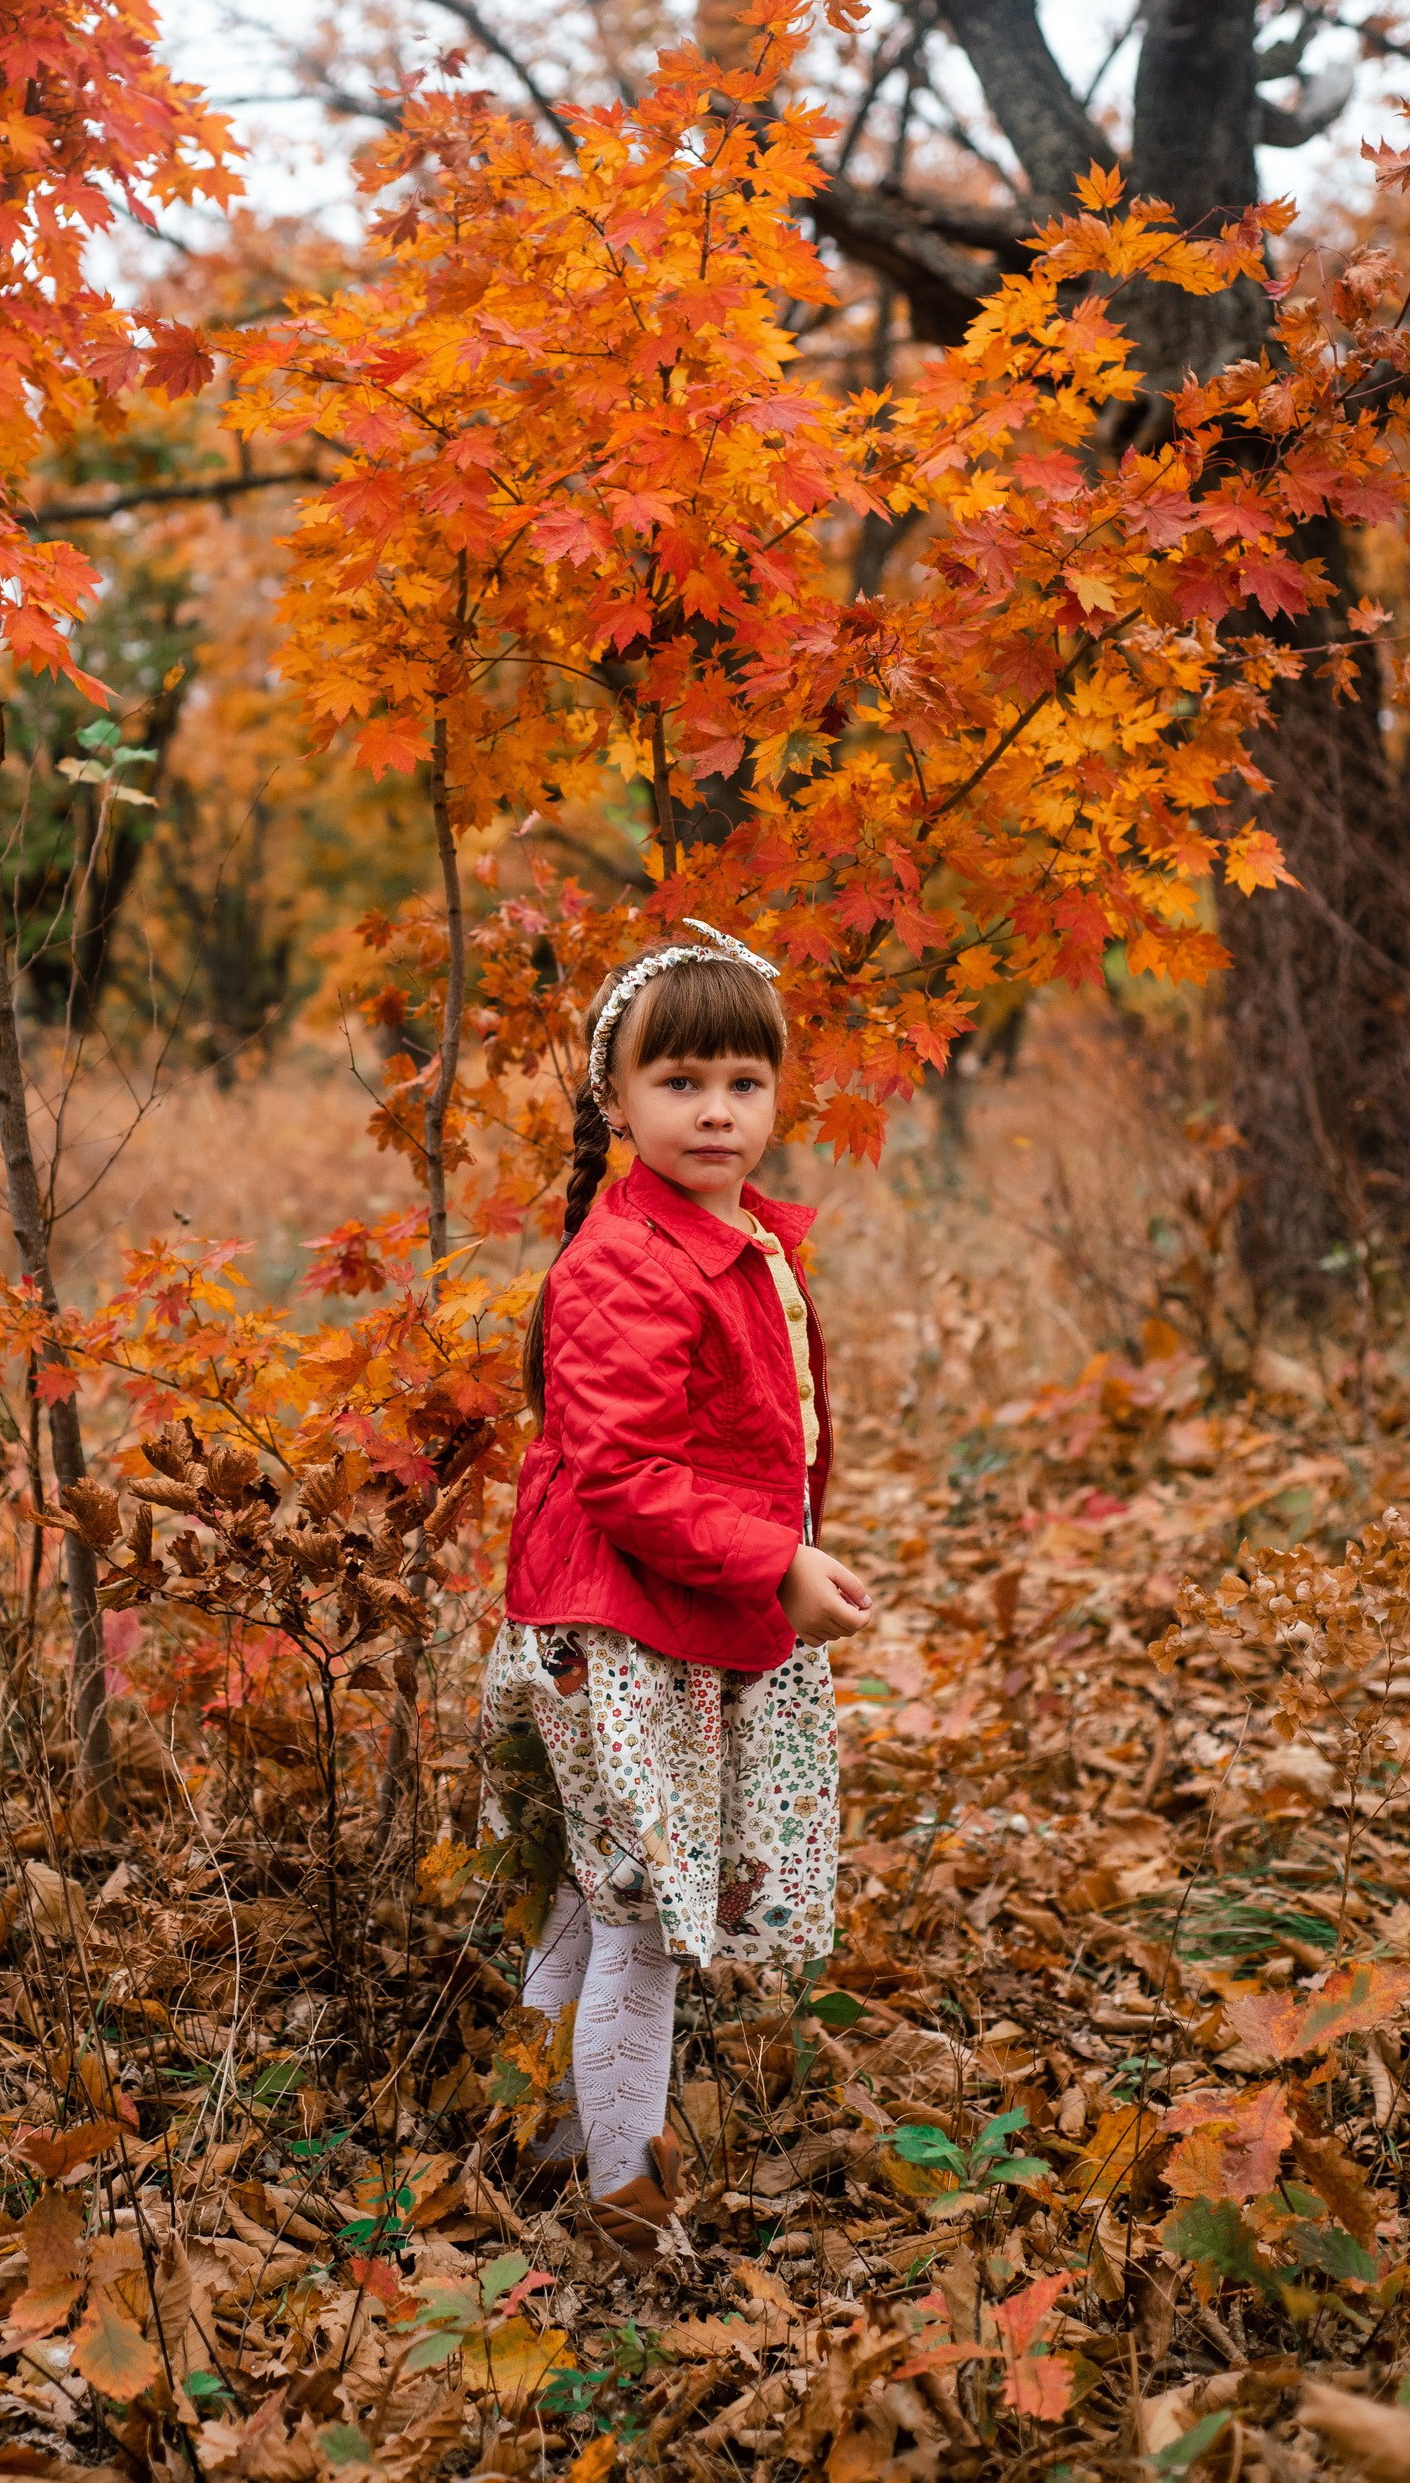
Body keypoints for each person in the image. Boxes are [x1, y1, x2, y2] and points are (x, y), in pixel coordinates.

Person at [481, 922, 874, 2260]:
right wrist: (773, 1558)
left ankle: (534, 2132)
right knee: (644, 1917)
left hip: (679, 1619)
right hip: (620, 1628)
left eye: (744, 1082)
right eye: (682, 1080)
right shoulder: (621, 1259)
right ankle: (620, 2203)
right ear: (617, 1099)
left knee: (606, 1898)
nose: (716, 1108)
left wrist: (784, 1550)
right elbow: (627, 1471)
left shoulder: (742, 1231)